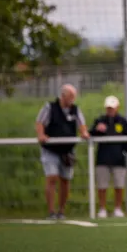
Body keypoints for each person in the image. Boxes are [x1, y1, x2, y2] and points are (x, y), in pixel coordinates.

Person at [35, 84, 90, 220]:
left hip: (67, 151)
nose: (73, 99)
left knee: (65, 180)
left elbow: (81, 124)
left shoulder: (75, 110)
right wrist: (41, 135)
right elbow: (40, 122)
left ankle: (61, 211)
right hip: (50, 149)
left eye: (74, 96)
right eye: (71, 96)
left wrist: (83, 132)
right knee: (52, 177)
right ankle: (51, 211)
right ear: (63, 96)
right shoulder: (50, 107)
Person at [89, 96, 127, 218]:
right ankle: (102, 209)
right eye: (108, 108)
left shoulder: (123, 122)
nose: (110, 110)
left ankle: (118, 208)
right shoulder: (100, 120)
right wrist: (97, 130)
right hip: (103, 158)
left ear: (117, 107)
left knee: (119, 185)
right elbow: (90, 133)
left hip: (119, 159)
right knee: (102, 185)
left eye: (112, 108)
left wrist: (123, 152)